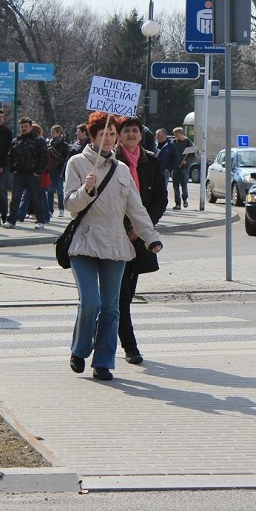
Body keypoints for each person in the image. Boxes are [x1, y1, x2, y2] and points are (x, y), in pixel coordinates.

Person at [64, 111, 163, 381]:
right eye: (101, 134)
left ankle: (104, 362)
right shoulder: (77, 163)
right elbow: (69, 205)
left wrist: (150, 237)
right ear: (92, 136)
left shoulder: (121, 169)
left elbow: (136, 208)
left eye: (111, 134)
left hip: (116, 245)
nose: (107, 139)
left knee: (111, 307)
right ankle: (80, 349)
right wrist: (86, 191)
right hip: (84, 242)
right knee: (90, 303)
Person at [114, 116, 168, 365]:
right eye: (126, 131)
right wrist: (125, 226)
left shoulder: (152, 162)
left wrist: (143, 227)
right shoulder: (110, 160)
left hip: (139, 238)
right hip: (113, 236)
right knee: (120, 296)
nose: (131, 135)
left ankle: (97, 334)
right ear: (118, 134)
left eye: (135, 131)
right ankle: (130, 346)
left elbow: (160, 199)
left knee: (125, 295)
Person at [4, 117, 48, 230]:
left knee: (36, 198)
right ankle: (11, 220)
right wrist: (12, 169)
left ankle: (41, 221)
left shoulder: (39, 140)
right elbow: (10, 156)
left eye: (26, 126)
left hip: (33, 175)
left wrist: (38, 171)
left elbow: (44, 157)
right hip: (19, 174)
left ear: (31, 127)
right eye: (22, 127)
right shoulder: (16, 141)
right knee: (15, 198)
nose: (23, 129)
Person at [46, 124, 70, 218]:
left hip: (59, 170)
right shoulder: (49, 143)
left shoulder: (64, 145)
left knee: (60, 191)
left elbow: (66, 159)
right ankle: (50, 210)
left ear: (60, 133)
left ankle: (61, 209)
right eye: (51, 132)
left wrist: (55, 154)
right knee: (50, 190)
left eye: (54, 132)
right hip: (50, 169)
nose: (52, 134)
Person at [171, 126, 194, 210]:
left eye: (176, 134)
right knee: (175, 186)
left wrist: (187, 161)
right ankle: (178, 204)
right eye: (174, 134)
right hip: (175, 167)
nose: (175, 136)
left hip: (184, 168)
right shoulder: (173, 142)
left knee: (184, 185)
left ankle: (185, 199)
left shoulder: (188, 142)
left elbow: (192, 155)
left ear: (181, 133)